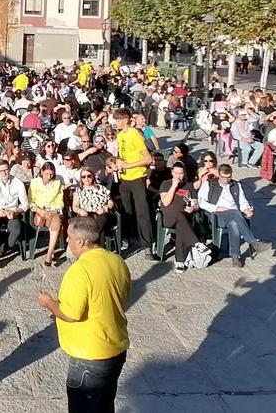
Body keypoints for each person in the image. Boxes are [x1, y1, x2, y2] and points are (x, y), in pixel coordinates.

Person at [35, 216, 131, 413]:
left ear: (81, 241)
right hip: (116, 347)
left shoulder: (79, 271)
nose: (67, 241)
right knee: (105, 405)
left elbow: (71, 314)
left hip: (90, 356)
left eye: (69, 237)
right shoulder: (116, 261)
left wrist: (49, 304)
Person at [197, 164, 270, 268]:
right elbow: (201, 202)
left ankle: (235, 257)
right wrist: (216, 208)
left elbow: (242, 201)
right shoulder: (209, 184)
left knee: (234, 223)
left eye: (228, 177)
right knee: (235, 213)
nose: (226, 180)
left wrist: (246, 209)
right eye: (223, 177)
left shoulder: (236, 185)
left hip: (234, 215)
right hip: (217, 215)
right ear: (218, 175)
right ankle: (253, 243)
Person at [112, 108, 152, 253]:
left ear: (125, 120)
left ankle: (147, 244)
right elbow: (122, 154)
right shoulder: (120, 135)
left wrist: (128, 165)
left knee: (142, 211)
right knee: (126, 211)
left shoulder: (135, 134)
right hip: (124, 178)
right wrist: (118, 163)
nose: (116, 123)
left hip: (137, 177)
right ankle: (129, 239)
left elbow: (148, 159)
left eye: (118, 120)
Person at [0, 160, 29, 268]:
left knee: (16, 229)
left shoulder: (17, 182)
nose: (4, 173)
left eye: (6, 170)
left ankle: (6, 246)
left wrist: (15, 211)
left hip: (12, 212)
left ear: (9, 169)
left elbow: (25, 204)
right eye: (1, 171)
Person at [157, 161, 200, 271]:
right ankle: (196, 243)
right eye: (176, 173)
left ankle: (180, 261)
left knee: (181, 225)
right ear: (172, 172)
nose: (178, 176)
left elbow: (195, 203)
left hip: (184, 218)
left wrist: (193, 208)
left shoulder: (189, 185)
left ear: (184, 173)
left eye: (181, 173)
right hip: (168, 217)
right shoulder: (165, 184)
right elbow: (165, 202)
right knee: (179, 215)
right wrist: (174, 186)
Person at [29, 161, 66, 266]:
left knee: (57, 221)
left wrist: (54, 211)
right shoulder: (34, 182)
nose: (49, 176)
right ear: (41, 172)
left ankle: (49, 252)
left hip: (53, 210)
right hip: (40, 211)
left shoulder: (57, 183)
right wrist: (40, 211)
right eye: (46, 174)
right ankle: (52, 249)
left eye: (51, 174)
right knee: (58, 225)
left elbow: (60, 201)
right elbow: (30, 201)